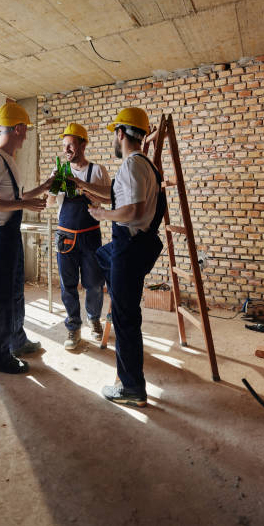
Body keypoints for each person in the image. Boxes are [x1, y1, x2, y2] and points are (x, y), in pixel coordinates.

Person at [72, 108, 166, 407]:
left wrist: (103, 214)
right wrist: (88, 191)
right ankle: (115, 289)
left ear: (122, 134)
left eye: (115, 133)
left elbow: (134, 210)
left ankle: (131, 387)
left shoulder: (131, 165)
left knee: (125, 320)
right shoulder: (146, 166)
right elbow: (123, 199)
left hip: (129, 246)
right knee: (102, 256)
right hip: (134, 246)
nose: (115, 138)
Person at [0, 102, 52, 374]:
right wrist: (24, 206)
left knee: (14, 293)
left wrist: (42, 188)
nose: (26, 135)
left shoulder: (9, 160)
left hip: (8, 236)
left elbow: (13, 198)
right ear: (19, 128)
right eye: (26, 130)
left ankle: (16, 342)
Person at [47, 122, 111, 350]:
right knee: (68, 285)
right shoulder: (61, 171)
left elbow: (108, 199)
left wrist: (85, 188)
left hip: (90, 236)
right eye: (64, 146)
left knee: (94, 284)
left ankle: (93, 320)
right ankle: (73, 327)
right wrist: (53, 186)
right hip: (65, 237)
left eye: (70, 144)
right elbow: (50, 203)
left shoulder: (97, 171)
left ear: (83, 144)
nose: (66, 150)